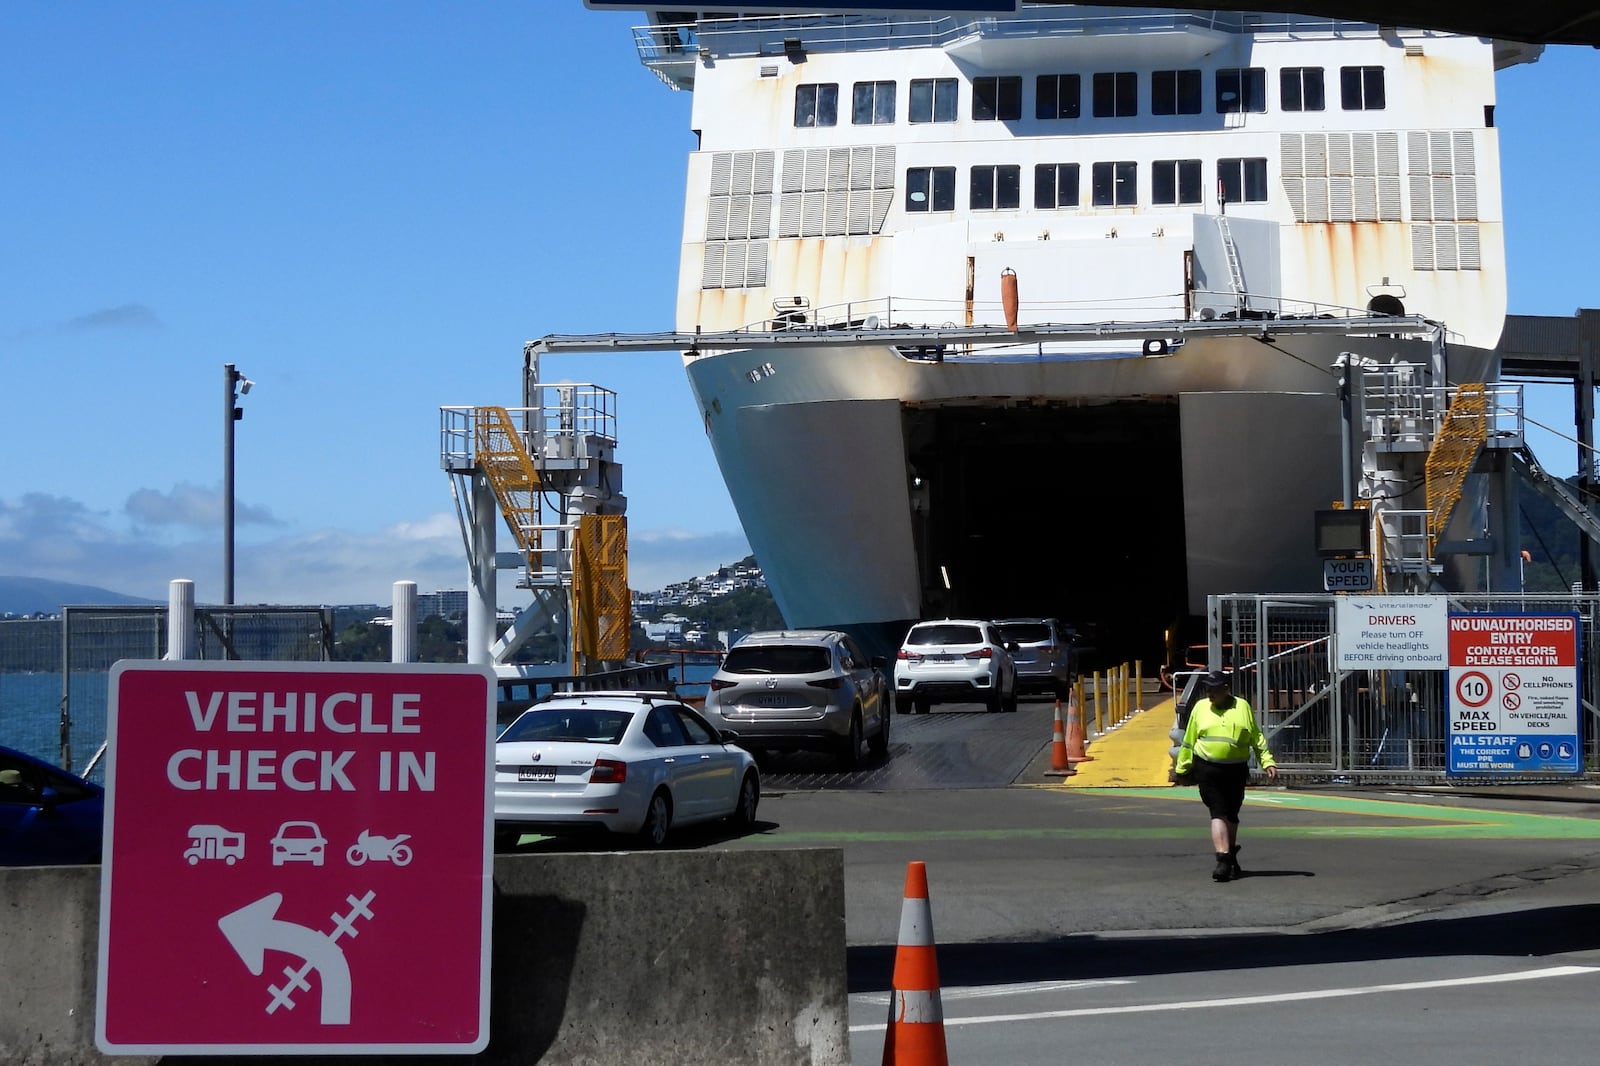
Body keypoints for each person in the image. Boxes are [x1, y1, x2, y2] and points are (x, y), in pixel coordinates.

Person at [1173, 669, 1278, 882]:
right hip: (1208, 768)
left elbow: (1256, 737)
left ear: (1226, 689)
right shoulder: (1201, 708)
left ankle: (1229, 855)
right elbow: (1189, 740)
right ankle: (1222, 859)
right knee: (1218, 812)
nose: (1210, 693)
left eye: (1214, 689)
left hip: (1236, 769)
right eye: (1207, 689)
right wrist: (1182, 768)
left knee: (1231, 814)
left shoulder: (1242, 707)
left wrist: (1267, 761)